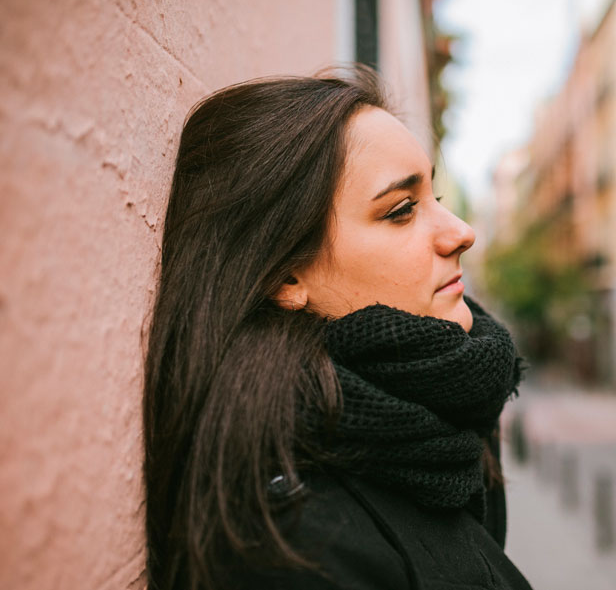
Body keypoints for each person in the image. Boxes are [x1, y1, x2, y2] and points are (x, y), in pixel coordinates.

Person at [142, 67, 533, 590]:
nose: (461, 233)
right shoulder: (291, 547)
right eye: (401, 210)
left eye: (433, 197)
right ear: (285, 274)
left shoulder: (445, 425)